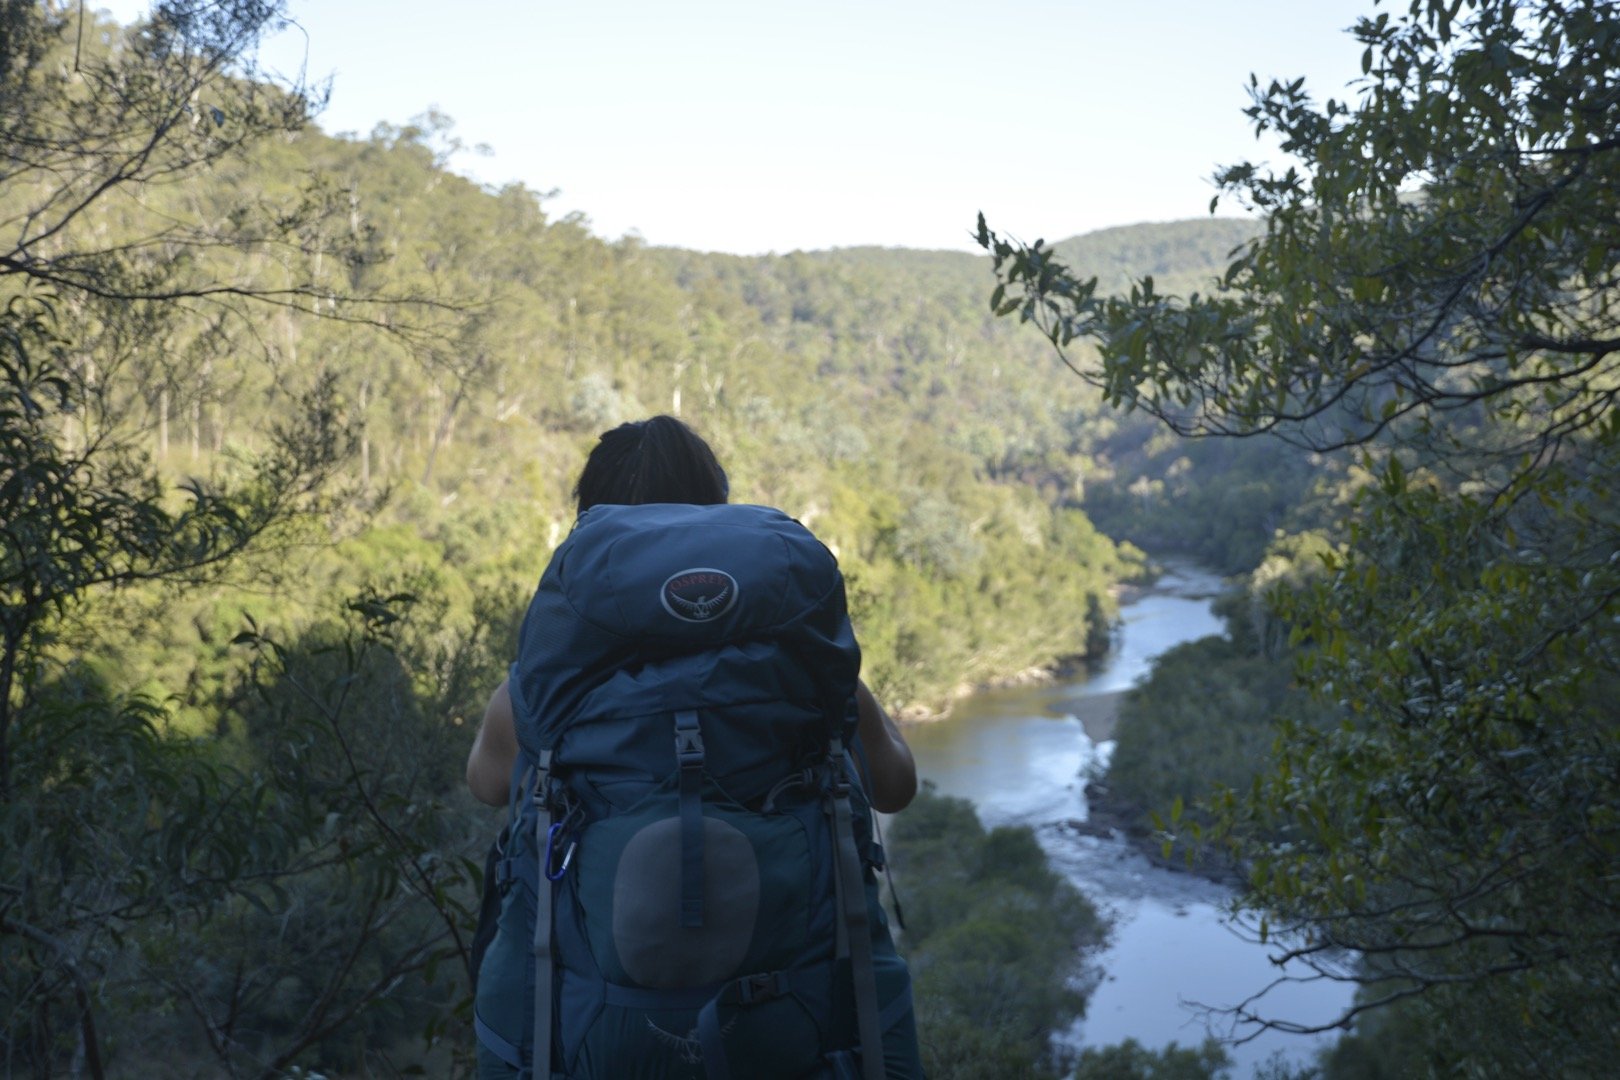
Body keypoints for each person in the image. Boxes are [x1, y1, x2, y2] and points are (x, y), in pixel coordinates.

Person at [467, 415, 920, 1078]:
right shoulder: (803, 671)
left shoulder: (542, 689)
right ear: (717, 514)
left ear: (590, 516)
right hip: (796, 1022)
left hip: (594, 1029)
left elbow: (485, 784)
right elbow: (896, 785)